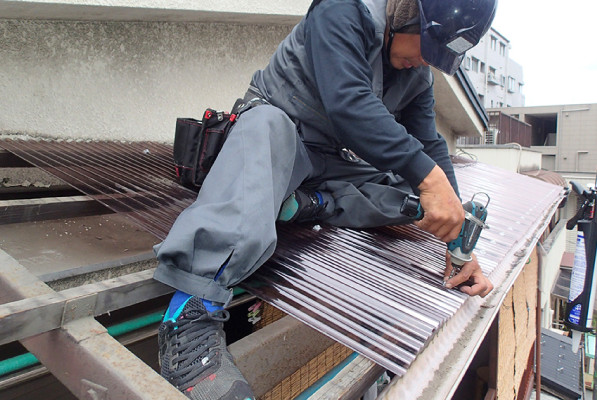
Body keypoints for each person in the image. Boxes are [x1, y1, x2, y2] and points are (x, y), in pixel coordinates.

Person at [154, 0, 497, 398]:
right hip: (282, 139)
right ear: (408, 14)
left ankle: (306, 203)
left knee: (412, 194)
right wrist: (429, 177)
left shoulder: (417, 75)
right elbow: (348, 102)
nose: (426, 60)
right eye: (426, 45)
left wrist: (460, 242)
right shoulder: (344, 10)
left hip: (331, 162)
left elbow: (429, 145)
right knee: (266, 129)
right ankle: (189, 314)